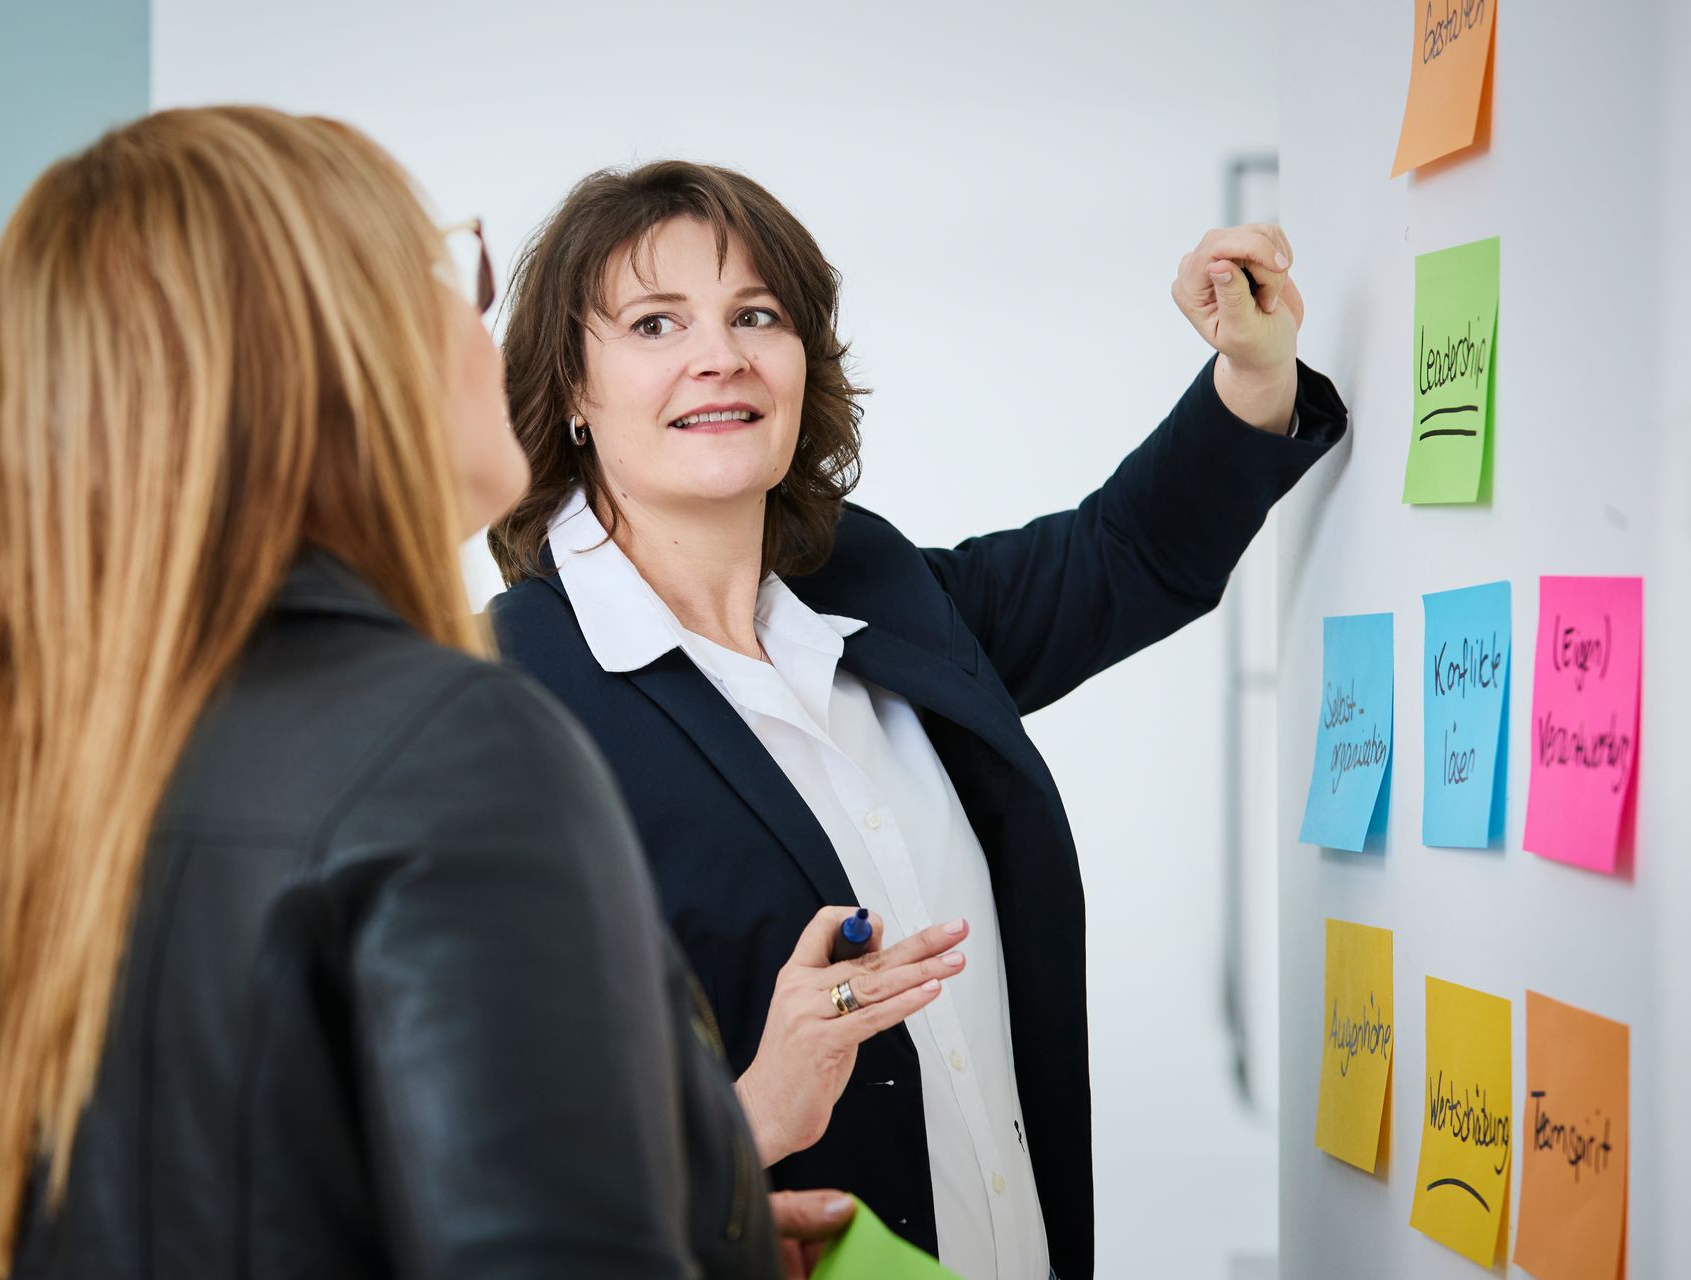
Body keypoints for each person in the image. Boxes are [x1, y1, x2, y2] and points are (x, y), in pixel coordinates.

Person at [0, 108, 848, 1280]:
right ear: (334, 356)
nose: (483, 325)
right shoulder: (463, 745)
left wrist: (704, 1223)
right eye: (446, 272)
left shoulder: (29, 887)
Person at [486, 160, 1348, 1280]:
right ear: (569, 391)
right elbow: (469, 1152)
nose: (722, 354)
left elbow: (1121, 559)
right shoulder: (495, 698)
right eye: (656, 322)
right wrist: (746, 1113)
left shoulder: (871, 585)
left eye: (758, 314)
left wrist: (1251, 370)